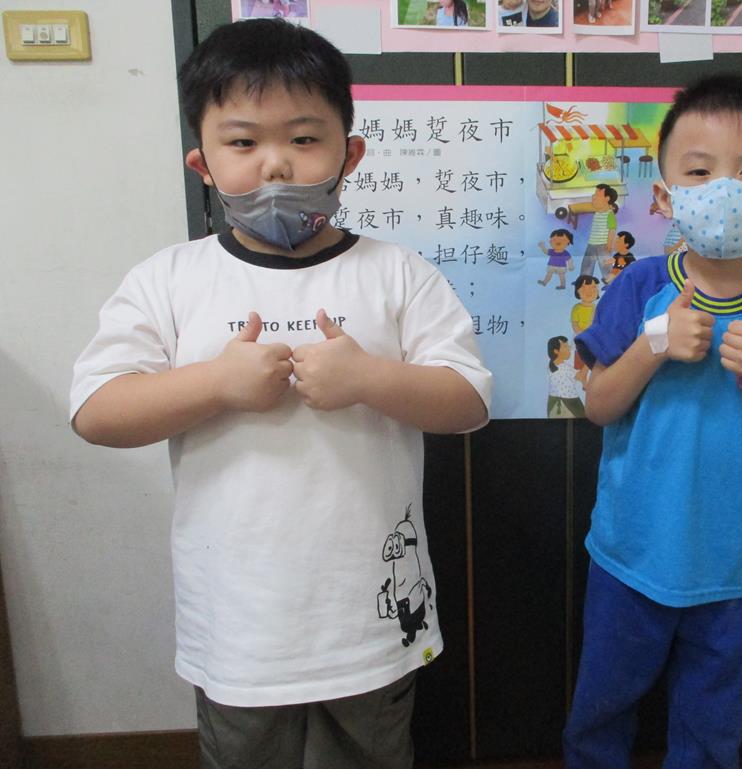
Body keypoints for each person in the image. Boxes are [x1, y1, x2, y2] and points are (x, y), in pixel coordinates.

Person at [69, 19, 491, 769]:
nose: (275, 164)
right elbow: (98, 412)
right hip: (239, 627)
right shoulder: (170, 279)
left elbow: (467, 402)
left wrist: (368, 378)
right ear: (202, 163)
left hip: (370, 620)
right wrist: (216, 383)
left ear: (349, 154)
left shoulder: (397, 273)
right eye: (242, 142)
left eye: (303, 138)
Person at [564, 73, 742, 769]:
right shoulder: (638, 286)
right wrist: (655, 343)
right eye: (698, 171)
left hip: (731, 569)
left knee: (712, 728)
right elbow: (597, 405)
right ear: (665, 196)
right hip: (630, 554)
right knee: (601, 709)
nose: (724, 188)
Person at [579, 183, 618, 281]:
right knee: (587, 263)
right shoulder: (597, 212)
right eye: (594, 194)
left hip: (603, 244)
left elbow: (612, 230)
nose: (593, 197)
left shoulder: (609, 214)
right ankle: (584, 279)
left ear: (607, 198)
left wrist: (609, 243)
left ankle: (610, 280)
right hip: (592, 243)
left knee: (605, 264)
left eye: (597, 195)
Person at [546, 336, 586, 418]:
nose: (569, 349)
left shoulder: (552, 366)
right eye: (565, 347)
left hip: (553, 404)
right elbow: (581, 376)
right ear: (556, 351)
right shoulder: (563, 368)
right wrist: (588, 362)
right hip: (568, 404)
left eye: (568, 346)